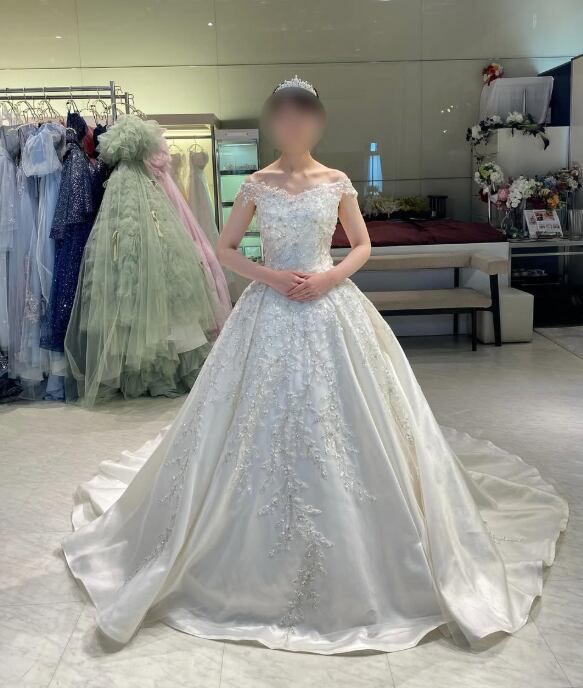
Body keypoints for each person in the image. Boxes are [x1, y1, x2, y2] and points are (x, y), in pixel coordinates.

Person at [62, 76, 568, 654]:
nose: (293, 124)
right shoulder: (256, 183)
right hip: (269, 307)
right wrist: (273, 276)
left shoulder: (337, 181)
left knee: (357, 418)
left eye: (302, 115)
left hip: (330, 305)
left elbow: (362, 245)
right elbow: (225, 249)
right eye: (284, 115)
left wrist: (328, 277)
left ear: (316, 121)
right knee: (245, 421)